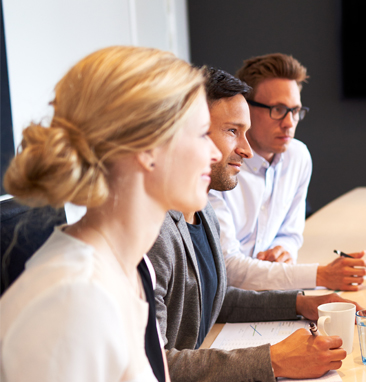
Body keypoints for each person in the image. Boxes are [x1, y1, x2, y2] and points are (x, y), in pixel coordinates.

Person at [0, 46, 218, 381]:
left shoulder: (133, 266)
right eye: (204, 133)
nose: (215, 153)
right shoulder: (74, 300)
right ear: (148, 149)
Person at [150, 67, 358, 381]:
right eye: (232, 131)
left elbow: (217, 299)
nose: (247, 150)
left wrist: (301, 303)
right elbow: (154, 366)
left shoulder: (202, 210)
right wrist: (271, 361)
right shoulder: (154, 234)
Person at [208, 53, 366, 291]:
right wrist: (322, 276)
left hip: (270, 290)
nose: (289, 123)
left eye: (295, 111)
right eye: (278, 109)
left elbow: (291, 233)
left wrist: (283, 251)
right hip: (230, 299)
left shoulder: (298, 157)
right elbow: (228, 268)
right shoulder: (218, 167)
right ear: (247, 108)